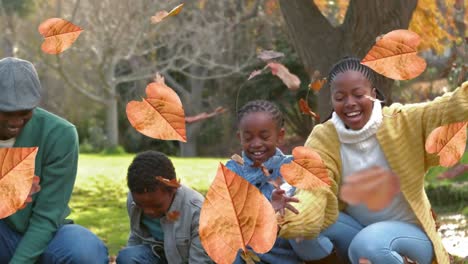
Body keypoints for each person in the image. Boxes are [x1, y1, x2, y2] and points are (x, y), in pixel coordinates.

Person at [305, 57, 468, 264]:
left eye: (358, 94)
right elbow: (312, 186)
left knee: (368, 246)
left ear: (373, 94)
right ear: (332, 100)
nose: (350, 103)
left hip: (411, 238)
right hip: (357, 230)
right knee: (306, 228)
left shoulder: (403, 122)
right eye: (340, 97)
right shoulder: (324, 137)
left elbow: (451, 107)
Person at [0, 57, 109, 263]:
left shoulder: (60, 134)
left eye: (24, 113)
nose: (15, 122)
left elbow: (48, 214)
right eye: (6, 112)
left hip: (47, 232)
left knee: (86, 252)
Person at [226, 100, 340, 264]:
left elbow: (310, 207)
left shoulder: (295, 166)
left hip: (289, 255)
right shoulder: (233, 171)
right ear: (240, 137)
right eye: (248, 138)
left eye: (264, 137)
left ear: (280, 136)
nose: (256, 143)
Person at [116, 150, 213, 264]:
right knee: (127, 257)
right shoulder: (134, 200)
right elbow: (136, 238)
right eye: (141, 205)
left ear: (173, 189)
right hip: (157, 255)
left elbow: (199, 261)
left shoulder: (198, 211)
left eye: (157, 206)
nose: (148, 211)